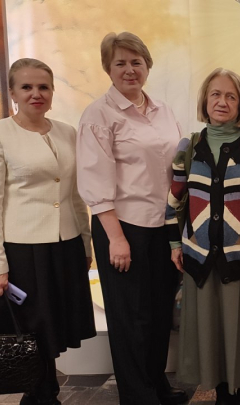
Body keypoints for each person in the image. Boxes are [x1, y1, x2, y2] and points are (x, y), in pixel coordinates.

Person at [0, 58, 96, 405]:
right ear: (13, 93)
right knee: (32, 330)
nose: (36, 93)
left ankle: (46, 393)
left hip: (65, 245)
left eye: (43, 87)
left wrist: (85, 244)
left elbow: (74, 194)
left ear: (53, 92)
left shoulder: (67, 132)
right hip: (23, 252)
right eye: (26, 87)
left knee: (53, 327)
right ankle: (40, 397)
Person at [76, 32, 187, 405]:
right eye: (120, 63)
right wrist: (116, 238)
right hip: (123, 228)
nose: (129, 70)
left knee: (159, 314)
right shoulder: (98, 115)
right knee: (130, 319)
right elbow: (95, 182)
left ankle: (156, 384)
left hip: (163, 228)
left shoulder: (163, 110)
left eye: (136, 62)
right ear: (107, 68)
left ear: (147, 66)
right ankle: (138, 395)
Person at [167, 67, 240, 405]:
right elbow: (175, 199)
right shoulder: (190, 145)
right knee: (210, 333)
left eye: (231, 96)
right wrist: (175, 243)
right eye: (215, 94)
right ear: (205, 99)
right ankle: (220, 396)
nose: (222, 101)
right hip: (199, 257)